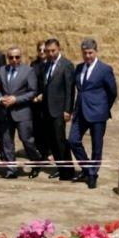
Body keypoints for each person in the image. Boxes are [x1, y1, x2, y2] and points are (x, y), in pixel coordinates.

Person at [68, 38, 117, 189]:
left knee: (97, 146)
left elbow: (112, 92)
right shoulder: (78, 68)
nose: (87, 56)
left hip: (98, 113)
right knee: (73, 141)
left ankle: (93, 175)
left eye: (90, 53)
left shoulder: (104, 69)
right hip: (80, 112)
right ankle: (87, 169)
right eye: (85, 53)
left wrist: (103, 107)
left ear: (96, 52)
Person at [0, 46, 43, 179]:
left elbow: (32, 91)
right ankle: (10, 169)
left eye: (17, 57)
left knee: (27, 140)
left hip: (22, 112)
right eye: (11, 57)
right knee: (7, 142)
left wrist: (15, 99)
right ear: (8, 58)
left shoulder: (28, 71)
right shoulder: (2, 70)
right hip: (5, 112)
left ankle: (36, 162)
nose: (14, 60)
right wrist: (0, 98)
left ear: (21, 57)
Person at [42, 38, 75, 180]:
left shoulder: (66, 65)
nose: (50, 53)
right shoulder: (47, 64)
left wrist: (68, 110)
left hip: (59, 110)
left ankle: (68, 171)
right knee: (52, 141)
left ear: (59, 48)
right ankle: (60, 169)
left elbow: (70, 90)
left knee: (60, 140)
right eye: (48, 51)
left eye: (53, 50)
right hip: (48, 110)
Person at [30, 41, 50, 159]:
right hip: (35, 100)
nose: (42, 52)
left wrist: (43, 95)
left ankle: (49, 151)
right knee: (37, 127)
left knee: (47, 127)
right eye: (40, 50)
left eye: (44, 50)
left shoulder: (51, 64)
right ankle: (41, 151)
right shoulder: (34, 64)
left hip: (47, 99)